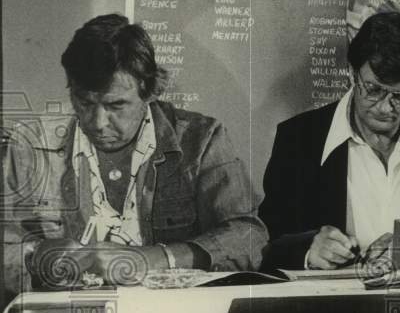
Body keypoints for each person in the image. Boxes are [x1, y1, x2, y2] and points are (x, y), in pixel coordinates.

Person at [1, 15, 266, 294]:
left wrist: (157, 258)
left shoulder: (202, 140)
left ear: (149, 92)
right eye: (84, 102)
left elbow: (249, 237)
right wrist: (36, 255)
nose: (98, 122)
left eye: (116, 105)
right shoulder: (29, 147)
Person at [259, 11, 400, 271]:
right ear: (352, 74)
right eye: (373, 90)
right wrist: (307, 249)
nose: (385, 108)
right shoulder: (299, 137)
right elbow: (265, 242)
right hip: (329, 306)